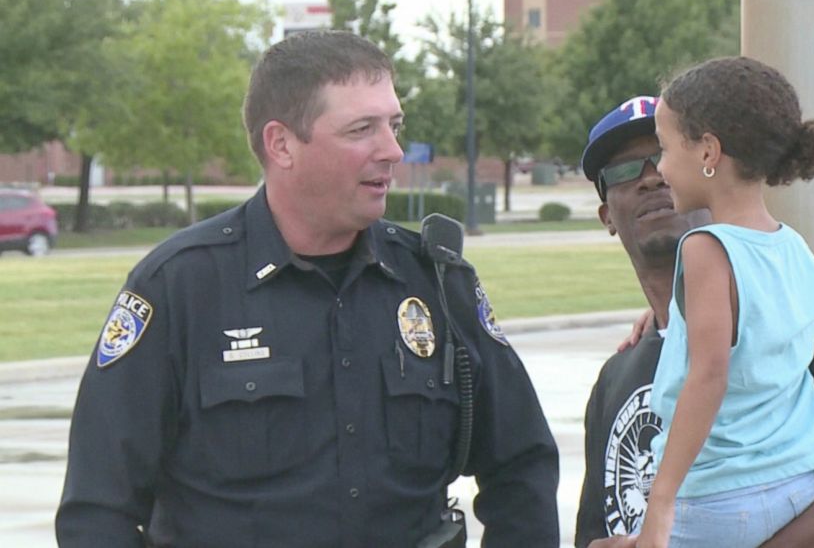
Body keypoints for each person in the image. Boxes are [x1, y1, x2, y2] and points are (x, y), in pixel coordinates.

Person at [55, 30, 559, 548]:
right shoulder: (179, 288)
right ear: (281, 144)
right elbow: (97, 510)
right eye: (362, 129)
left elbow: (522, 466)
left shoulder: (436, 281)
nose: (393, 151)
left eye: (394, 125)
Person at [575, 93, 814, 547]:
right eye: (625, 171)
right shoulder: (617, 374)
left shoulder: (794, 328)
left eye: (661, 154)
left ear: (709, 165)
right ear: (607, 216)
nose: (651, 177)